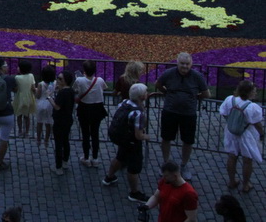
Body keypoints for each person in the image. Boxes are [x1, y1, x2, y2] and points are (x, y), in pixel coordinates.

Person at [155, 52, 209, 180]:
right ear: (177, 63)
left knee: (188, 141)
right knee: (166, 138)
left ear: (191, 64)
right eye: (182, 64)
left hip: (188, 113)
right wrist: (168, 94)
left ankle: (184, 165)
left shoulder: (197, 76)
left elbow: (206, 93)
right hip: (170, 111)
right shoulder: (169, 73)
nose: (184, 66)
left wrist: (193, 99)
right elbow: (158, 84)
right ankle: (166, 163)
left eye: (187, 64)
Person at [103, 83, 150, 204]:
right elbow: (138, 135)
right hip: (132, 142)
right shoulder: (138, 113)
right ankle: (134, 193)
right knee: (134, 167)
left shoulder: (124, 103)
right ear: (142, 97)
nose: (147, 94)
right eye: (146, 92)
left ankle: (109, 177)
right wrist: (146, 136)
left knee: (120, 157)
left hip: (121, 138)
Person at [218, 79, 263, 193]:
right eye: (254, 91)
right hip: (246, 134)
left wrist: (231, 122)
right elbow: (257, 123)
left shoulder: (230, 100)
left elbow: (223, 112)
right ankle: (246, 184)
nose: (255, 93)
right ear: (249, 93)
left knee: (232, 157)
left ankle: (232, 181)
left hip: (231, 132)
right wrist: (262, 133)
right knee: (247, 160)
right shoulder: (252, 107)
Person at [74, 60, 106, 167]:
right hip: (97, 109)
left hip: (84, 109)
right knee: (95, 133)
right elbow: (104, 88)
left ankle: (86, 158)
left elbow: (75, 90)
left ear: (84, 70)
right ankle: (95, 158)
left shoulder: (79, 80)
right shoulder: (100, 80)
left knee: (85, 134)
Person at [48, 69, 75, 175]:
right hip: (68, 119)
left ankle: (58, 167)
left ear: (65, 81)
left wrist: (49, 97)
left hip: (59, 121)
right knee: (65, 141)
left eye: (60, 79)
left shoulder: (63, 93)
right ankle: (65, 162)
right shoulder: (70, 91)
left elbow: (57, 106)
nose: (57, 80)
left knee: (59, 144)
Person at [34, 65, 55, 148]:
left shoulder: (40, 84)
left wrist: (35, 91)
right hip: (50, 103)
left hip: (41, 103)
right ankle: (46, 139)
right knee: (48, 123)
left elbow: (38, 96)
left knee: (39, 122)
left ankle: (38, 139)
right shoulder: (54, 83)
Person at [12, 60, 36, 138]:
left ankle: (20, 131)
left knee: (19, 115)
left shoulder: (17, 77)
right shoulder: (31, 76)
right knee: (27, 116)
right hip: (29, 97)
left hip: (19, 97)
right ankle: (27, 132)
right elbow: (33, 87)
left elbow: (15, 89)